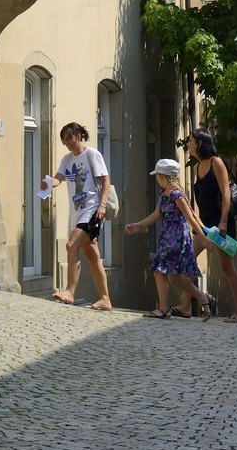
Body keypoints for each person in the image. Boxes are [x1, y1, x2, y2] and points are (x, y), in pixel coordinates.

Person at [127, 157, 216, 319]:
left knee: (158, 271)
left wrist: (202, 238)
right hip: (166, 237)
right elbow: (156, 214)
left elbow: (190, 218)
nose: (156, 178)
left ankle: (163, 308)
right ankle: (204, 298)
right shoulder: (164, 193)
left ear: (164, 176)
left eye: (157, 175)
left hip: (177, 239)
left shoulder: (177, 194)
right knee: (174, 278)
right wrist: (139, 225)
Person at [44, 121, 112, 310]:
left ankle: (69, 292)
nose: (67, 142)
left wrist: (102, 205)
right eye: (64, 139)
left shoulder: (92, 155)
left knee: (71, 245)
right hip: (77, 211)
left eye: (70, 138)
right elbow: (59, 177)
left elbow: (105, 181)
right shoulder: (67, 159)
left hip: (92, 209)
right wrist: (49, 184)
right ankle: (105, 299)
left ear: (80, 135)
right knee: (91, 255)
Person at [187, 127, 237, 321]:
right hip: (204, 224)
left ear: (200, 143)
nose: (188, 144)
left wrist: (222, 221)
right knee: (187, 259)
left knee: (227, 266)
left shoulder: (217, 163)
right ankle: (186, 305)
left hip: (220, 222)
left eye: (191, 141)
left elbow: (226, 193)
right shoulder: (197, 167)